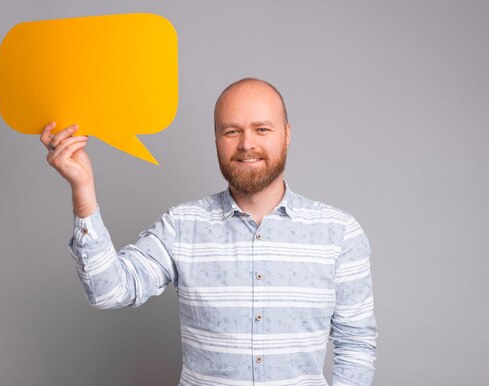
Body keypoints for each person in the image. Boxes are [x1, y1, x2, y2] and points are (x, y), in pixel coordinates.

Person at [41, 78, 377, 386]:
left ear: (287, 133)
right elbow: (109, 292)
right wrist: (83, 188)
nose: (247, 144)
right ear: (216, 138)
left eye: (262, 129)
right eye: (232, 131)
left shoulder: (340, 233)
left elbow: (356, 343)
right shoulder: (181, 226)